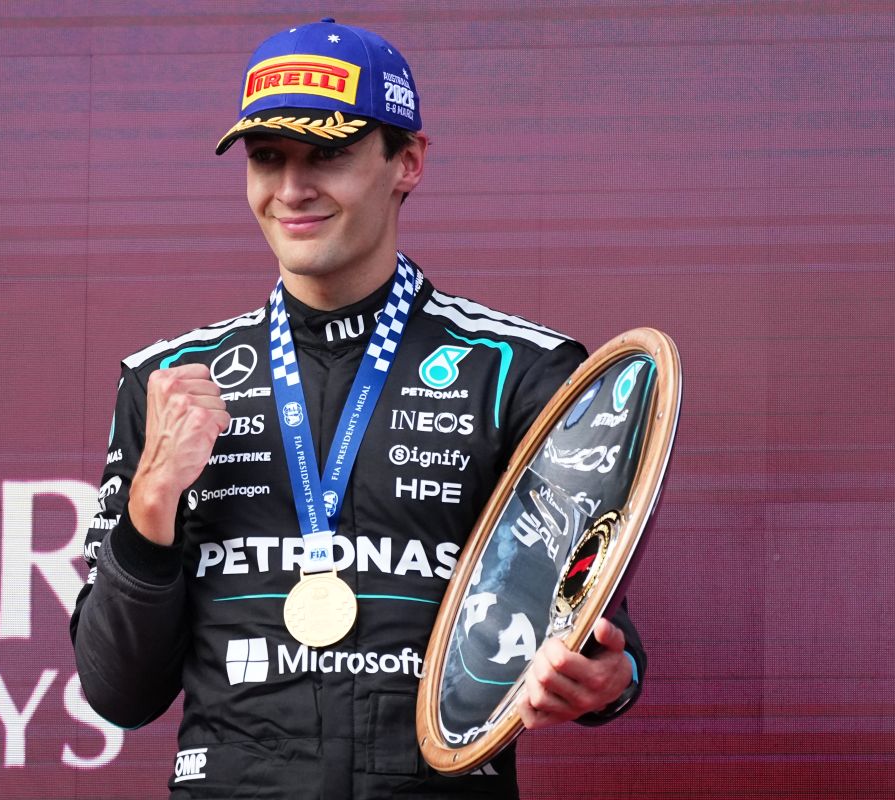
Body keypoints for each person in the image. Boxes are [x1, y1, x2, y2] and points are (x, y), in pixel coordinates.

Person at [70, 18, 644, 799]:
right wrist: (151, 502)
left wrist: (612, 675)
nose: (292, 189)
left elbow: (587, 613)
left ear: (407, 161)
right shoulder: (167, 383)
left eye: (328, 155)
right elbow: (118, 692)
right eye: (267, 158)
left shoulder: (519, 372)